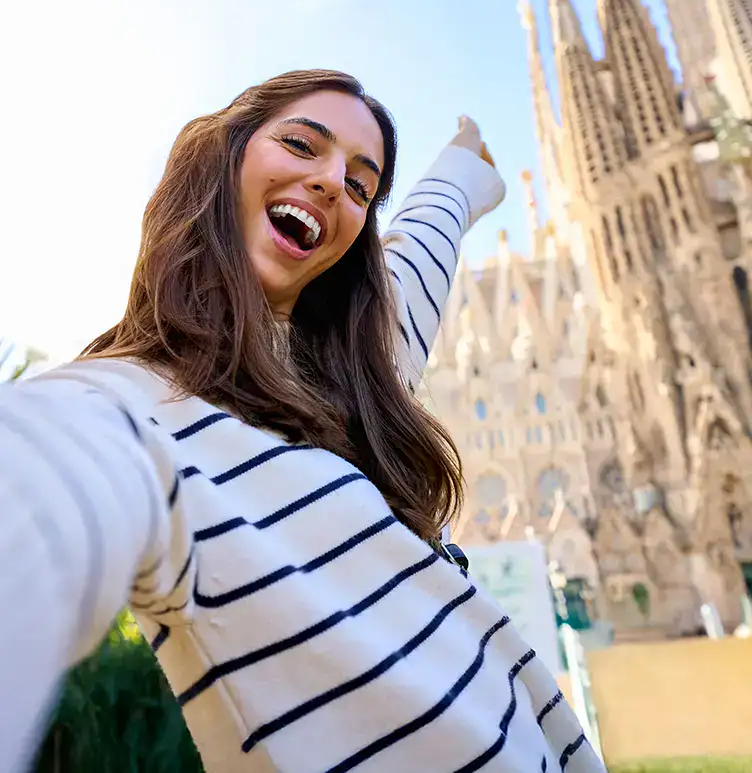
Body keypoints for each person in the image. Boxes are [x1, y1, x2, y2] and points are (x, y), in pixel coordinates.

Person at [1, 70, 603, 773]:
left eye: (360, 184)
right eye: (300, 144)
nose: (330, 182)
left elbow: (419, 245)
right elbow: (39, 487)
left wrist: (464, 165)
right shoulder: (133, 409)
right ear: (221, 157)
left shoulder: (354, 383)